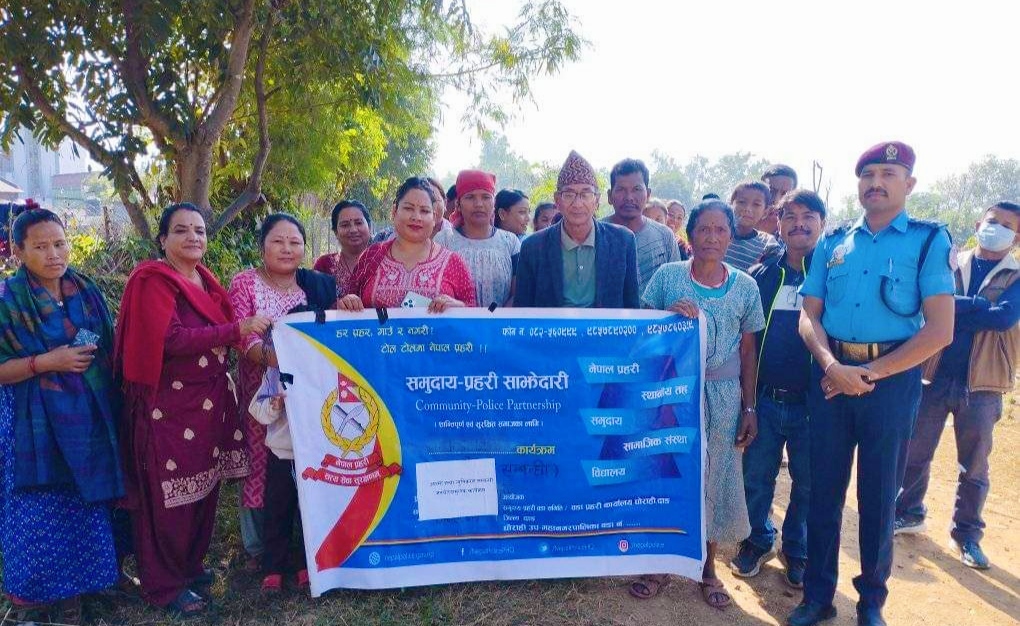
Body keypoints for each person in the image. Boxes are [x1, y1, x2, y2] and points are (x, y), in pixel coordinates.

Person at [790, 142, 954, 626]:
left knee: (879, 497)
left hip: (892, 383)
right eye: (868, 175)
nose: (875, 183)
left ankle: (870, 603)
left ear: (909, 184)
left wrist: (868, 375)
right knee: (823, 492)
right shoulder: (833, 242)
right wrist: (830, 365)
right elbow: (808, 314)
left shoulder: (928, 240)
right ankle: (817, 597)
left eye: (888, 173)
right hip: (832, 380)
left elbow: (939, 330)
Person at [115, 203, 271, 616]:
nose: (193, 238)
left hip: (209, 404)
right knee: (170, 498)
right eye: (181, 230)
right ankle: (164, 585)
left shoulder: (203, 279)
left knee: (203, 490)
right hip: (169, 408)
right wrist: (235, 330)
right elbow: (172, 340)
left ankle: (189, 568)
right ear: (162, 239)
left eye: (199, 230)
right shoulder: (153, 281)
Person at [633, 199, 765, 609]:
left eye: (720, 230)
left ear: (730, 236)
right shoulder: (667, 277)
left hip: (723, 399)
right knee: (667, 471)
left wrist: (749, 407)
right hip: (670, 395)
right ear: (689, 235)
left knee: (715, 475)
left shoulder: (746, 286)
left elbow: (748, 351)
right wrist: (667, 318)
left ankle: (708, 568)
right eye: (703, 229)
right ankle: (658, 564)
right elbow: (636, 328)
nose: (711, 237)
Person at [0, 209, 122, 623]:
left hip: (84, 418)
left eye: (60, 243)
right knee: (35, 513)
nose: (54, 254)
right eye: (40, 246)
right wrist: (47, 361)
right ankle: (30, 604)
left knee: (83, 506)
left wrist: (77, 360)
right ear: (19, 252)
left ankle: (75, 597)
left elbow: (98, 345)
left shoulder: (84, 292)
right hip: (29, 424)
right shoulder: (8, 300)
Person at [895, 201, 1020, 570]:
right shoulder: (951, 263)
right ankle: (908, 512)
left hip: (982, 384)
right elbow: (924, 305)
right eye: (992, 220)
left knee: (974, 465)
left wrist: (953, 306)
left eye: (1007, 225)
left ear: (1017, 236)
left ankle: (967, 535)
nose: (997, 227)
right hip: (934, 374)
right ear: (979, 222)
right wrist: (977, 306)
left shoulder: (1016, 275)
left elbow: (1003, 319)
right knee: (916, 451)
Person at [230, 214, 335, 583]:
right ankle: (261, 548)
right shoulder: (245, 282)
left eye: (295, 241)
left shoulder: (313, 288)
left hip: (306, 395)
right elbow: (242, 335)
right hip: (262, 391)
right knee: (262, 459)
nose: (287, 248)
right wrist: (276, 359)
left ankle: (304, 546)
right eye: (278, 241)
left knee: (302, 464)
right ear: (262, 246)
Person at [730, 190, 825, 589]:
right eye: (790, 216)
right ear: (779, 222)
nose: (799, 223)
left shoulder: (833, 274)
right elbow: (746, 338)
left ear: (822, 222)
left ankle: (797, 549)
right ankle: (756, 540)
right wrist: (748, 401)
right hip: (766, 399)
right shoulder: (763, 273)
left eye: (808, 216)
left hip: (814, 404)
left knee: (807, 482)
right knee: (757, 477)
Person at [515, 150, 639, 309]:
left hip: (605, 332)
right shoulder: (533, 246)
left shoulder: (622, 241)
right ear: (557, 200)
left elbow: (632, 305)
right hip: (552, 332)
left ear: (596, 200)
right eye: (569, 194)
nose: (577, 203)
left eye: (586, 194)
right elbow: (523, 309)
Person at [340, 177, 476, 312]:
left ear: (434, 217)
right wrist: (348, 302)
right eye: (408, 208)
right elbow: (349, 300)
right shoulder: (371, 256)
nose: (416, 217)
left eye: (424, 211)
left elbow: (475, 316)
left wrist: (459, 308)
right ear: (394, 212)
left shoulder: (453, 263)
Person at [248, 366, 304, 594]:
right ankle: (274, 569)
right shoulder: (274, 372)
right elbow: (256, 410)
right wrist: (274, 405)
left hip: (312, 457)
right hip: (281, 454)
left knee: (309, 515)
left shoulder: (323, 364)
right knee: (277, 513)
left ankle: (306, 565)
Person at [434, 171, 521, 307]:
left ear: (494, 203)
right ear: (458, 204)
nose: (479, 204)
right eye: (470, 197)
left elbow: (518, 293)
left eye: (486, 197)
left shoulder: (510, 242)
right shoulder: (444, 240)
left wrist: (493, 321)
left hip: (500, 325)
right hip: (455, 325)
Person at [603, 159, 682, 294]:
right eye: (621, 190)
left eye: (637, 189)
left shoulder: (665, 236)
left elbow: (675, 287)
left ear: (648, 194)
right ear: (610, 196)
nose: (629, 197)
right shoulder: (596, 233)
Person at [314, 200, 372, 297]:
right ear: (336, 232)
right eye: (345, 225)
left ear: (369, 227)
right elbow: (315, 302)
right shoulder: (324, 265)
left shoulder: (383, 262)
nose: (353, 230)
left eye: (358, 223)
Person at [724, 181, 778, 273]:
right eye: (742, 202)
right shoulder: (718, 235)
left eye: (756, 204)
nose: (747, 209)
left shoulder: (767, 243)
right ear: (731, 205)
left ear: (765, 212)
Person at [759, 164, 798, 236]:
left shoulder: (793, 238)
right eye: (771, 191)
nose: (776, 201)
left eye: (784, 194)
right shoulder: (737, 227)